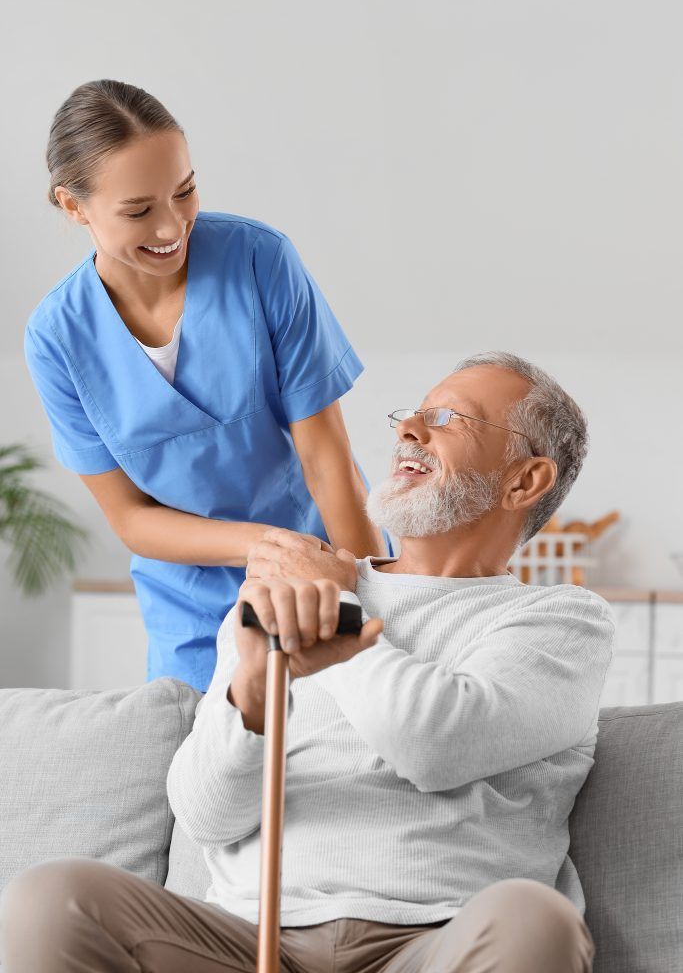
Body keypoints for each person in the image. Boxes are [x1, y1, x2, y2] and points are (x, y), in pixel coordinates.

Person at [0, 351, 612, 973]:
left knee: (533, 919)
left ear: (524, 481)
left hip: (439, 943)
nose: (409, 429)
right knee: (54, 898)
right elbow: (208, 816)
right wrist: (252, 695)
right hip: (251, 942)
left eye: (449, 418)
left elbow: (434, 744)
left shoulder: (561, 622)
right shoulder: (282, 592)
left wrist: (338, 610)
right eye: (414, 414)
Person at [24, 79, 387, 692]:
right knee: (207, 746)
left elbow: (327, 459)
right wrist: (267, 546)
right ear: (74, 206)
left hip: (323, 565)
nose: (172, 225)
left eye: (185, 191)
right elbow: (131, 517)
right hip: (190, 604)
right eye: (138, 210)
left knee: (351, 733)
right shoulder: (58, 337)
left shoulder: (260, 261)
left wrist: (369, 596)